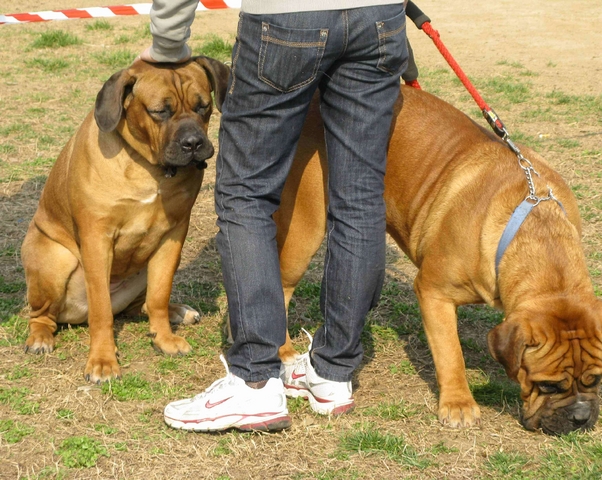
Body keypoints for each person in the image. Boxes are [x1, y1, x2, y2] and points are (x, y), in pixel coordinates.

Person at [141, 0, 409, 432]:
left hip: (288, 18)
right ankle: (333, 373)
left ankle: (254, 382)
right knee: (359, 197)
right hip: (378, 15)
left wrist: (168, 42)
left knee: (245, 193)